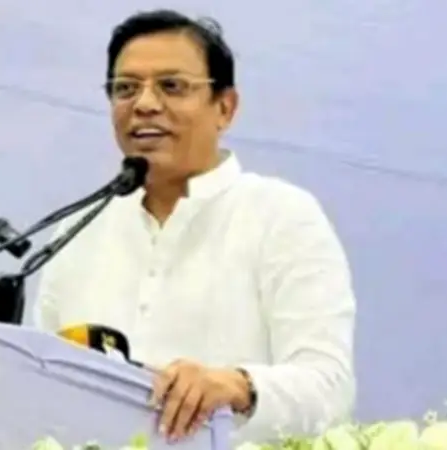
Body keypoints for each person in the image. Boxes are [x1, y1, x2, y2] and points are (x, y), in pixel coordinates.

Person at [35, 9, 356, 444]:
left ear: (225, 107)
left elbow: (329, 388)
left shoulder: (282, 216)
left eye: (172, 86)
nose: (144, 104)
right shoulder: (79, 230)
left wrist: (238, 386)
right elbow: (40, 384)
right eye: (125, 88)